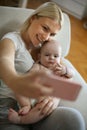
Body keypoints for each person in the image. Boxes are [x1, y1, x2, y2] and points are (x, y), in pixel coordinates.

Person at [0, 2, 86, 130]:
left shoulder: (47, 49)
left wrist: (53, 100)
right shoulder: (11, 41)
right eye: (45, 28)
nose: (46, 37)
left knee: (74, 119)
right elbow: (4, 61)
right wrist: (16, 82)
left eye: (52, 34)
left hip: (39, 110)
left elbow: (66, 79)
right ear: (33, 18)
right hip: (10, 108)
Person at [8, 39, 75, 124]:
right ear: (39, 57)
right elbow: (31, 76)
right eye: (47, 55)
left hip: (45, 100)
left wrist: (66, 71)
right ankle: (26, 105)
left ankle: (21, 120)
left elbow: (72, 74)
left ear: (60, 58)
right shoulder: (38, 66)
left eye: (56, 56)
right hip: (31, 94)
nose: (51, 58)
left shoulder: (60, 69)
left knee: (44, 108)